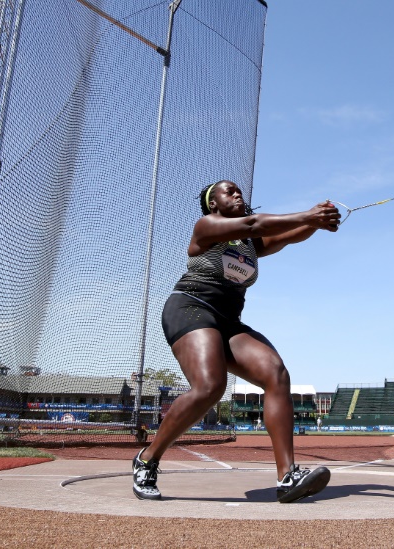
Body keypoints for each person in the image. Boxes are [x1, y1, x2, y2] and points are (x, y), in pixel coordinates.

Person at [132, 180, 340, 503]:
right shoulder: (207, 226)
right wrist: (307, 214)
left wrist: (315, 223)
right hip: (191, 307)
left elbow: (284, 238)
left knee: (275, 373)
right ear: (213, 204)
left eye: (238, 190)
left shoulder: (248, 243)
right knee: (210, 386)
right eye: (228, 191)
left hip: (227, 322)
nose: (237, 193)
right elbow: (256, 222)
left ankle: (287, 477)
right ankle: (147, 459)